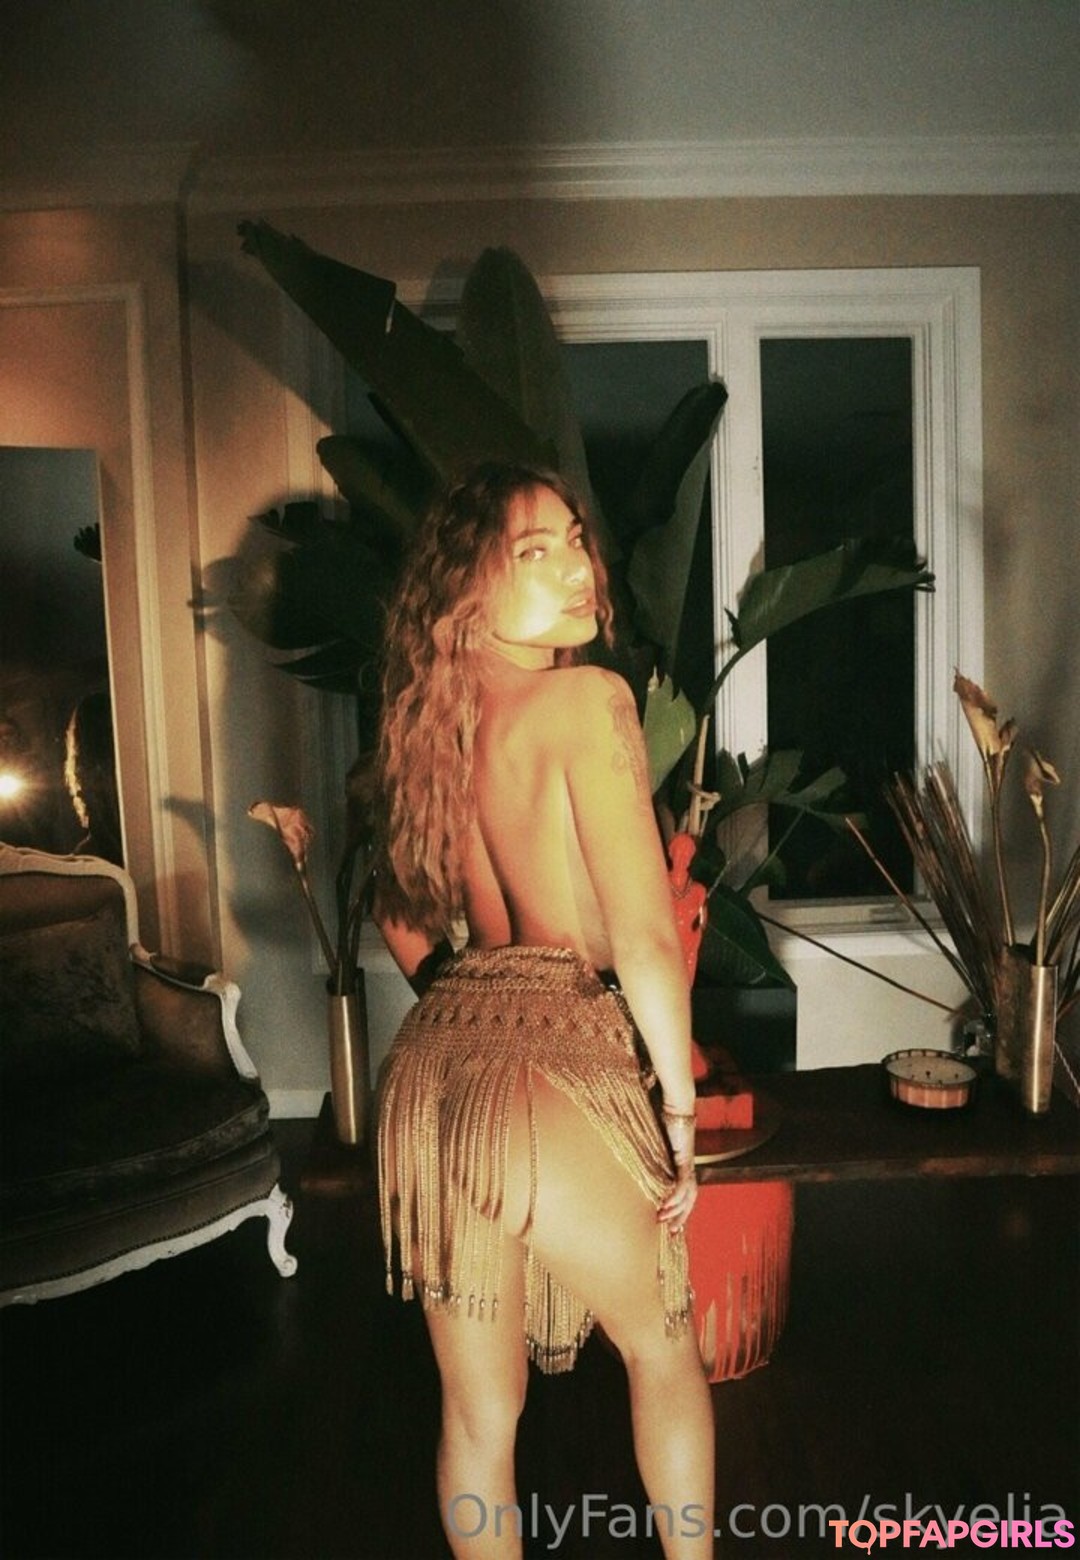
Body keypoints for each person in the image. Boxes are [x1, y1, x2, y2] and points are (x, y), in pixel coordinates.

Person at [374, 463, 714, 1560]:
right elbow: (647, 941)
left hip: (431, 1078)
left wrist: (474, 1011)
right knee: (663, 1350)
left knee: (480, 1415)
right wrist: (678, 1118)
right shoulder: (588, 701)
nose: (578, 569)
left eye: (575, 540)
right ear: (467, 587)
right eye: (536, 552)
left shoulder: (431, 730)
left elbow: (399, 921)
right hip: (547, 1063)